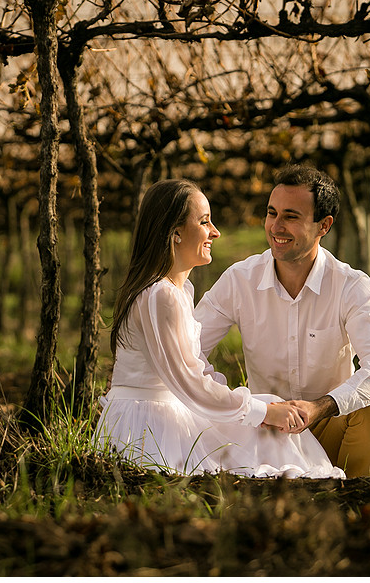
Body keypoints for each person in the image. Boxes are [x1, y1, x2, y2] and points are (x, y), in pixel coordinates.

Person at [92, 178, 346, 479]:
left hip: (167, 409)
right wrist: (260, 412)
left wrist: (257, 406)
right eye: (204, 221)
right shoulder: (160, 295)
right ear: (175, 232)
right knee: (261, 427)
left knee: (265, 413)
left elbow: (197, 368)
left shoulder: (177, 291)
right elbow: (188, 382)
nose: (215, 231)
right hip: (148, 423)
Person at [194, 164, 370, 478]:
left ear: (324, 226)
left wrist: (320, 407)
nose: (276, 227)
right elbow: (188, 347)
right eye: (272, 213)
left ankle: (349, 499)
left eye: (291, 217)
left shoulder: (350, 285)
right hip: (264, 435)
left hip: (330, 429)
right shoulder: (239, 280)